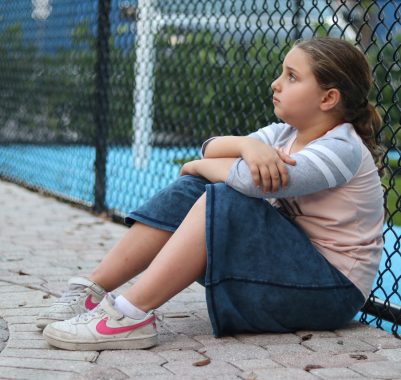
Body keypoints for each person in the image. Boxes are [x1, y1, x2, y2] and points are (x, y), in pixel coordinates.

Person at [37, 37, 384, 351]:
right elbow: (212, 148)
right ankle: (92, 290)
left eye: (292, 77)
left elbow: (248, 182)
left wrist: (202, 165)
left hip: (331, 290)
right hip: (288, 266)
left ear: (328, 98)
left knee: (225, 196)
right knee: (197, 188)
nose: (276, 84)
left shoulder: (342, 149)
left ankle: (128, 315)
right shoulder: (284, 134)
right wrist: (246, 145)